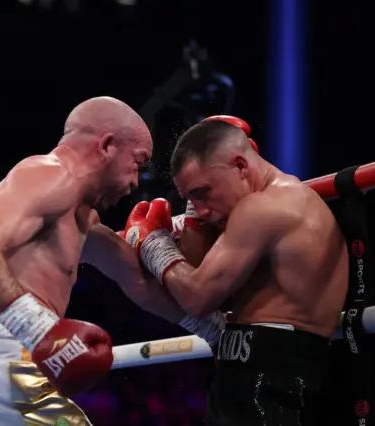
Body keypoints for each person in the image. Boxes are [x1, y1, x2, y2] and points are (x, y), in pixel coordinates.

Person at [0, 96, 154, 426]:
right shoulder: (50, 174)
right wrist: (40, 332)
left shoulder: (74, 219)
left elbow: (136, 277)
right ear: (107, 146)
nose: (136, 182)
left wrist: (155, 247)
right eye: (137, 163)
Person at [122, 118, 349, 425]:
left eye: (203, 192)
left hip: (270, 379)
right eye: (190, 199)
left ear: (241, 166)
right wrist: (193, 218)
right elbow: (193, 274)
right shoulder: (259, 207)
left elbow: (197, 296)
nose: (201, 209)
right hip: (256, 375)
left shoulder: (263, 208)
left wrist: (152, 244)